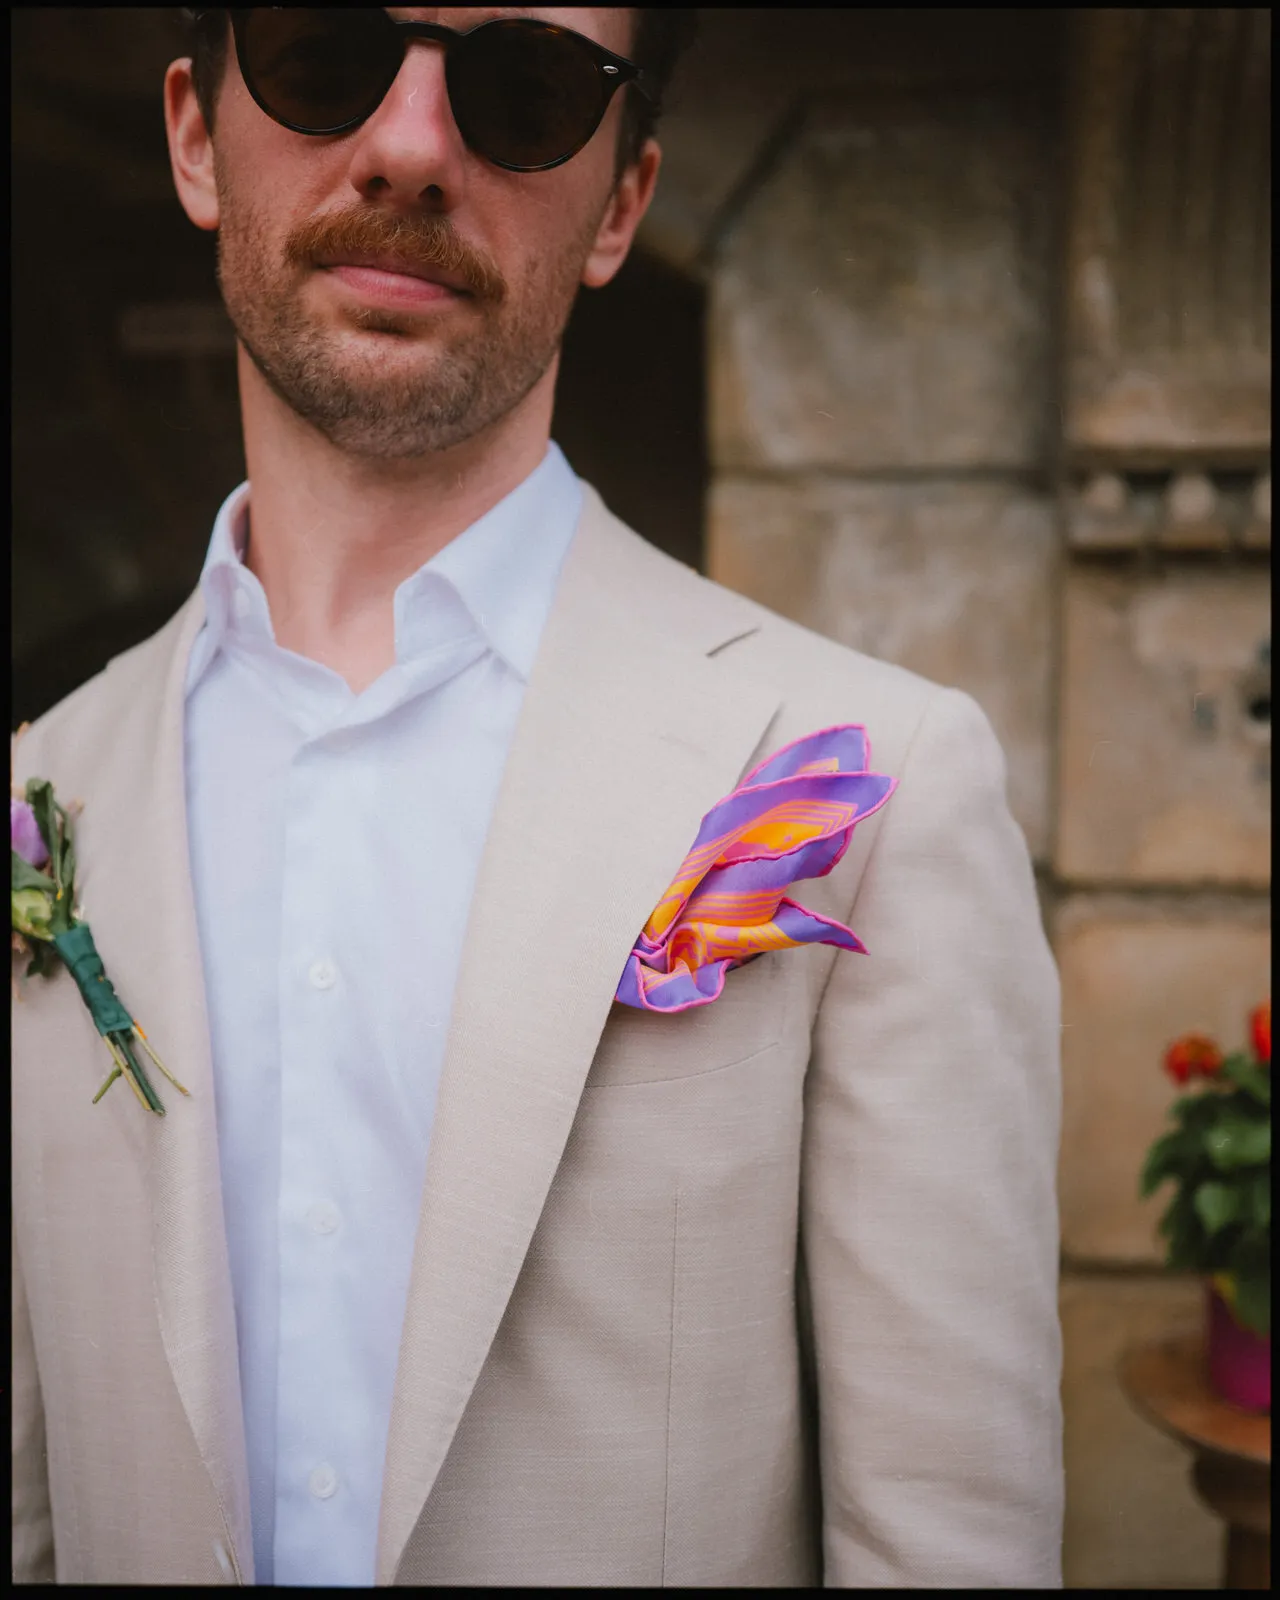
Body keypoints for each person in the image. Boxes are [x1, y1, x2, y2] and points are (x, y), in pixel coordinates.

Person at [11, 7, 1063, 1587]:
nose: (414, 145)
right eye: (321, 50)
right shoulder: (38, 803)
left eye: (523, 89)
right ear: (190, 136)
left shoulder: (882, 782)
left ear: (622, 203)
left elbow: (946, 1549)